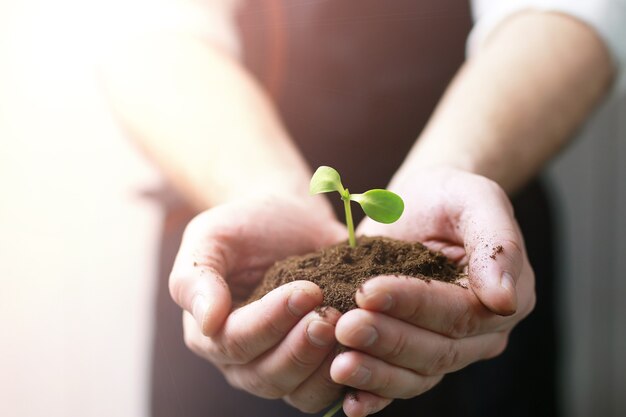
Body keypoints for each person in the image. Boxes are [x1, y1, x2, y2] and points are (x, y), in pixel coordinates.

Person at [102, 0, 625, 416]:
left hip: (466, 222)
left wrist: (451, 167)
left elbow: (571, 10)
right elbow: (150, 25)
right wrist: (259, 188)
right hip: (242, 228)